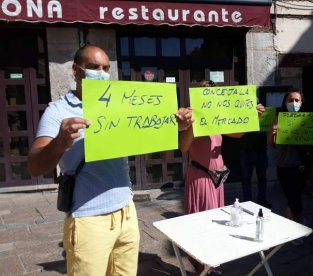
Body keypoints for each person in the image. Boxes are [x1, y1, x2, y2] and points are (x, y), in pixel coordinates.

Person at [27, 45, 193, 276]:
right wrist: (60, 141)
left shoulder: (120, 104)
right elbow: (34, 166)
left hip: (127, 212)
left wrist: (177, 125)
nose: (101, 72)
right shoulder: (58, 111)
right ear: (76, 70)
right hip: (88, 219)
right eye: (94, 67)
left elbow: (145, 133)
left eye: (106, 68)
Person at [179, 80, 264, 275]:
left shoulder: (218, 118)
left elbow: (237, 134)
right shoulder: (189, 118)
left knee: (215, 221)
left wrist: (253, 116)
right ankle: (201, 266)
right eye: (206, 93)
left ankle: (211, 264)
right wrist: (194, 124)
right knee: (200, 222)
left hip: (216, 178)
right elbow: (183, 147)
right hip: (200, 178)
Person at [268, 89, 309, 245]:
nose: (294, 103)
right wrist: (273, 134)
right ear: (285, 103)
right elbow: (271, 144)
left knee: (296, 196)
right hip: (284, 164)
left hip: (301, 164)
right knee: (293, 197)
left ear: (302, 103)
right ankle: (296, 227)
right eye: (290, 100)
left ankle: (293, 222)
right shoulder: (278, 118)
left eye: (297, 100)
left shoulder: (308, 119)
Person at [240, 131, 272, 208]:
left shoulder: (265, 118)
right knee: (246, 178)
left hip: (261, 151)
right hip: (246, 151)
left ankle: (262, 200)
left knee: (262, 178)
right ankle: (247, 202)